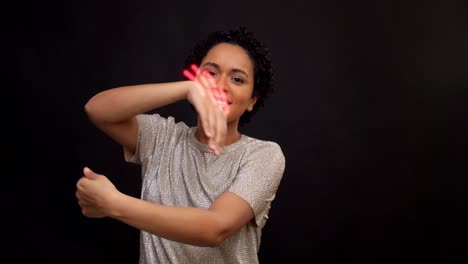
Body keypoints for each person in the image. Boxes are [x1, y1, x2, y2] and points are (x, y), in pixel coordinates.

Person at [76, 27, 286, 264]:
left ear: (252, 100)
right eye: (211, 73)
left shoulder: (263, 155)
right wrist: (186, 88)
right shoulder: (162, 137)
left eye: (237, 79)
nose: (220, 86)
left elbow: (215, 229)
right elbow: (98, 110)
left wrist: (114, 204)